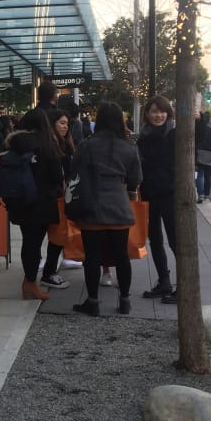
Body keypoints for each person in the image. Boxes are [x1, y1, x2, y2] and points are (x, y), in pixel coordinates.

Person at [69, 101, 142, 316]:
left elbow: (75, 173)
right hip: (119, 208)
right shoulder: (129, 146)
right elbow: (136, 179)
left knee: (91, 257)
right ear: (120, 120)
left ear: (99, 120)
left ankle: (92, 302)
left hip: (92, 207)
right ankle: (125, 301)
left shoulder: (87, 145)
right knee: (122, 256)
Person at [4, 108, 65, 300]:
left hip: (20, 200)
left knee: (28, 242)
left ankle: (28, 282)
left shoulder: (16, 144)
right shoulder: (47, 144)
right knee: (36, 243)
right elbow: (56, 175)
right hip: (42, 202)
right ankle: (30, 284)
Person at [137, 95, 176, 302]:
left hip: (170, 194)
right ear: (147, 114)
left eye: (162, 111)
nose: (158, 115)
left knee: (175, 241)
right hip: (150, 195)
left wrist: (200, 119)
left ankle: (184, 287)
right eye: (154, 111)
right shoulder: (143, 136)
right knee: (155, 240)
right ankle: (164, 281)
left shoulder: (175, 133)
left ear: (168, 113)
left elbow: (199, 141)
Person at [39, 108, 74, 290]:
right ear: (52, 124)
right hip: (51, 197)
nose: (65, 127)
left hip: (60, 195)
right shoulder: (49, 145)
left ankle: (49, 270)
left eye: (67, 124)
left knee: (58, 235)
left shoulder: (64, 143)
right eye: (61, 123)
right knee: (54, 236)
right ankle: (48, 273)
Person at [195, 111, 211, 203]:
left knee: (199, 175)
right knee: (208, 176)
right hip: (210, 154)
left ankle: (200, 194)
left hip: (200, 154)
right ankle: (206, 194)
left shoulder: (198, 128)